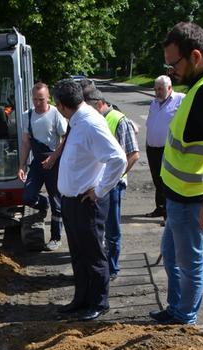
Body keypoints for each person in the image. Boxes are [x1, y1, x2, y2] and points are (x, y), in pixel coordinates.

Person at [150, 22, 203, 325]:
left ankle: (184, 319)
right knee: (172, 257)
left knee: (189, 263)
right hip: (179, 197)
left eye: (174, 63)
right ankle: (175, 309)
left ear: (195, 56)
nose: (171, 71)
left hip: (191, 200)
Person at [53, 79, 127, 321]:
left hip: (87, 202)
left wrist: (100, 190)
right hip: (72, 201)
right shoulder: (77, 121)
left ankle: (98, 302)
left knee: (93, 254)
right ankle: (82, 298)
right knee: (78, 253)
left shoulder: (90, 123)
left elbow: (118, 159)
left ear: (62, 106)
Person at [83, 88, 139, 280]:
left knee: (112, 229)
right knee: (100, 227)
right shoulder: (94, 119)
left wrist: (115, 177)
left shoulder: (119, 120)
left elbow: (133, 154)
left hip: (113, 185)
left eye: (89, 107)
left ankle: (112, 268)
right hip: (97, 185)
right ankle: (102, 264)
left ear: (99, 104)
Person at [18, 82, 67, 251]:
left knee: (57, 203)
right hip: (37, 164)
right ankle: (42, 203)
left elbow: (65, 138)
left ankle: (55, 237)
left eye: (41, 99)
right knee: (28, 197)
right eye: (34, 99)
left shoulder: (55, 114)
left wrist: (53, 157)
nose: (37, 103)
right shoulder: (28, 115)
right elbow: (25, 142)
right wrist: (22, 165)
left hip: (53, 162)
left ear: (48, 98)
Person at [145, 75, 184, 220]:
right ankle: (160, 208)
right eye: (155, 89)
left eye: (160, 89)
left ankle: (168, 213)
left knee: (166, 180)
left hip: (167, 148)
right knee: (156, 179)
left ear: (170, 87)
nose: (157, 92)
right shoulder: (154, 102)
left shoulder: (180, 99)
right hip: (151, 147)